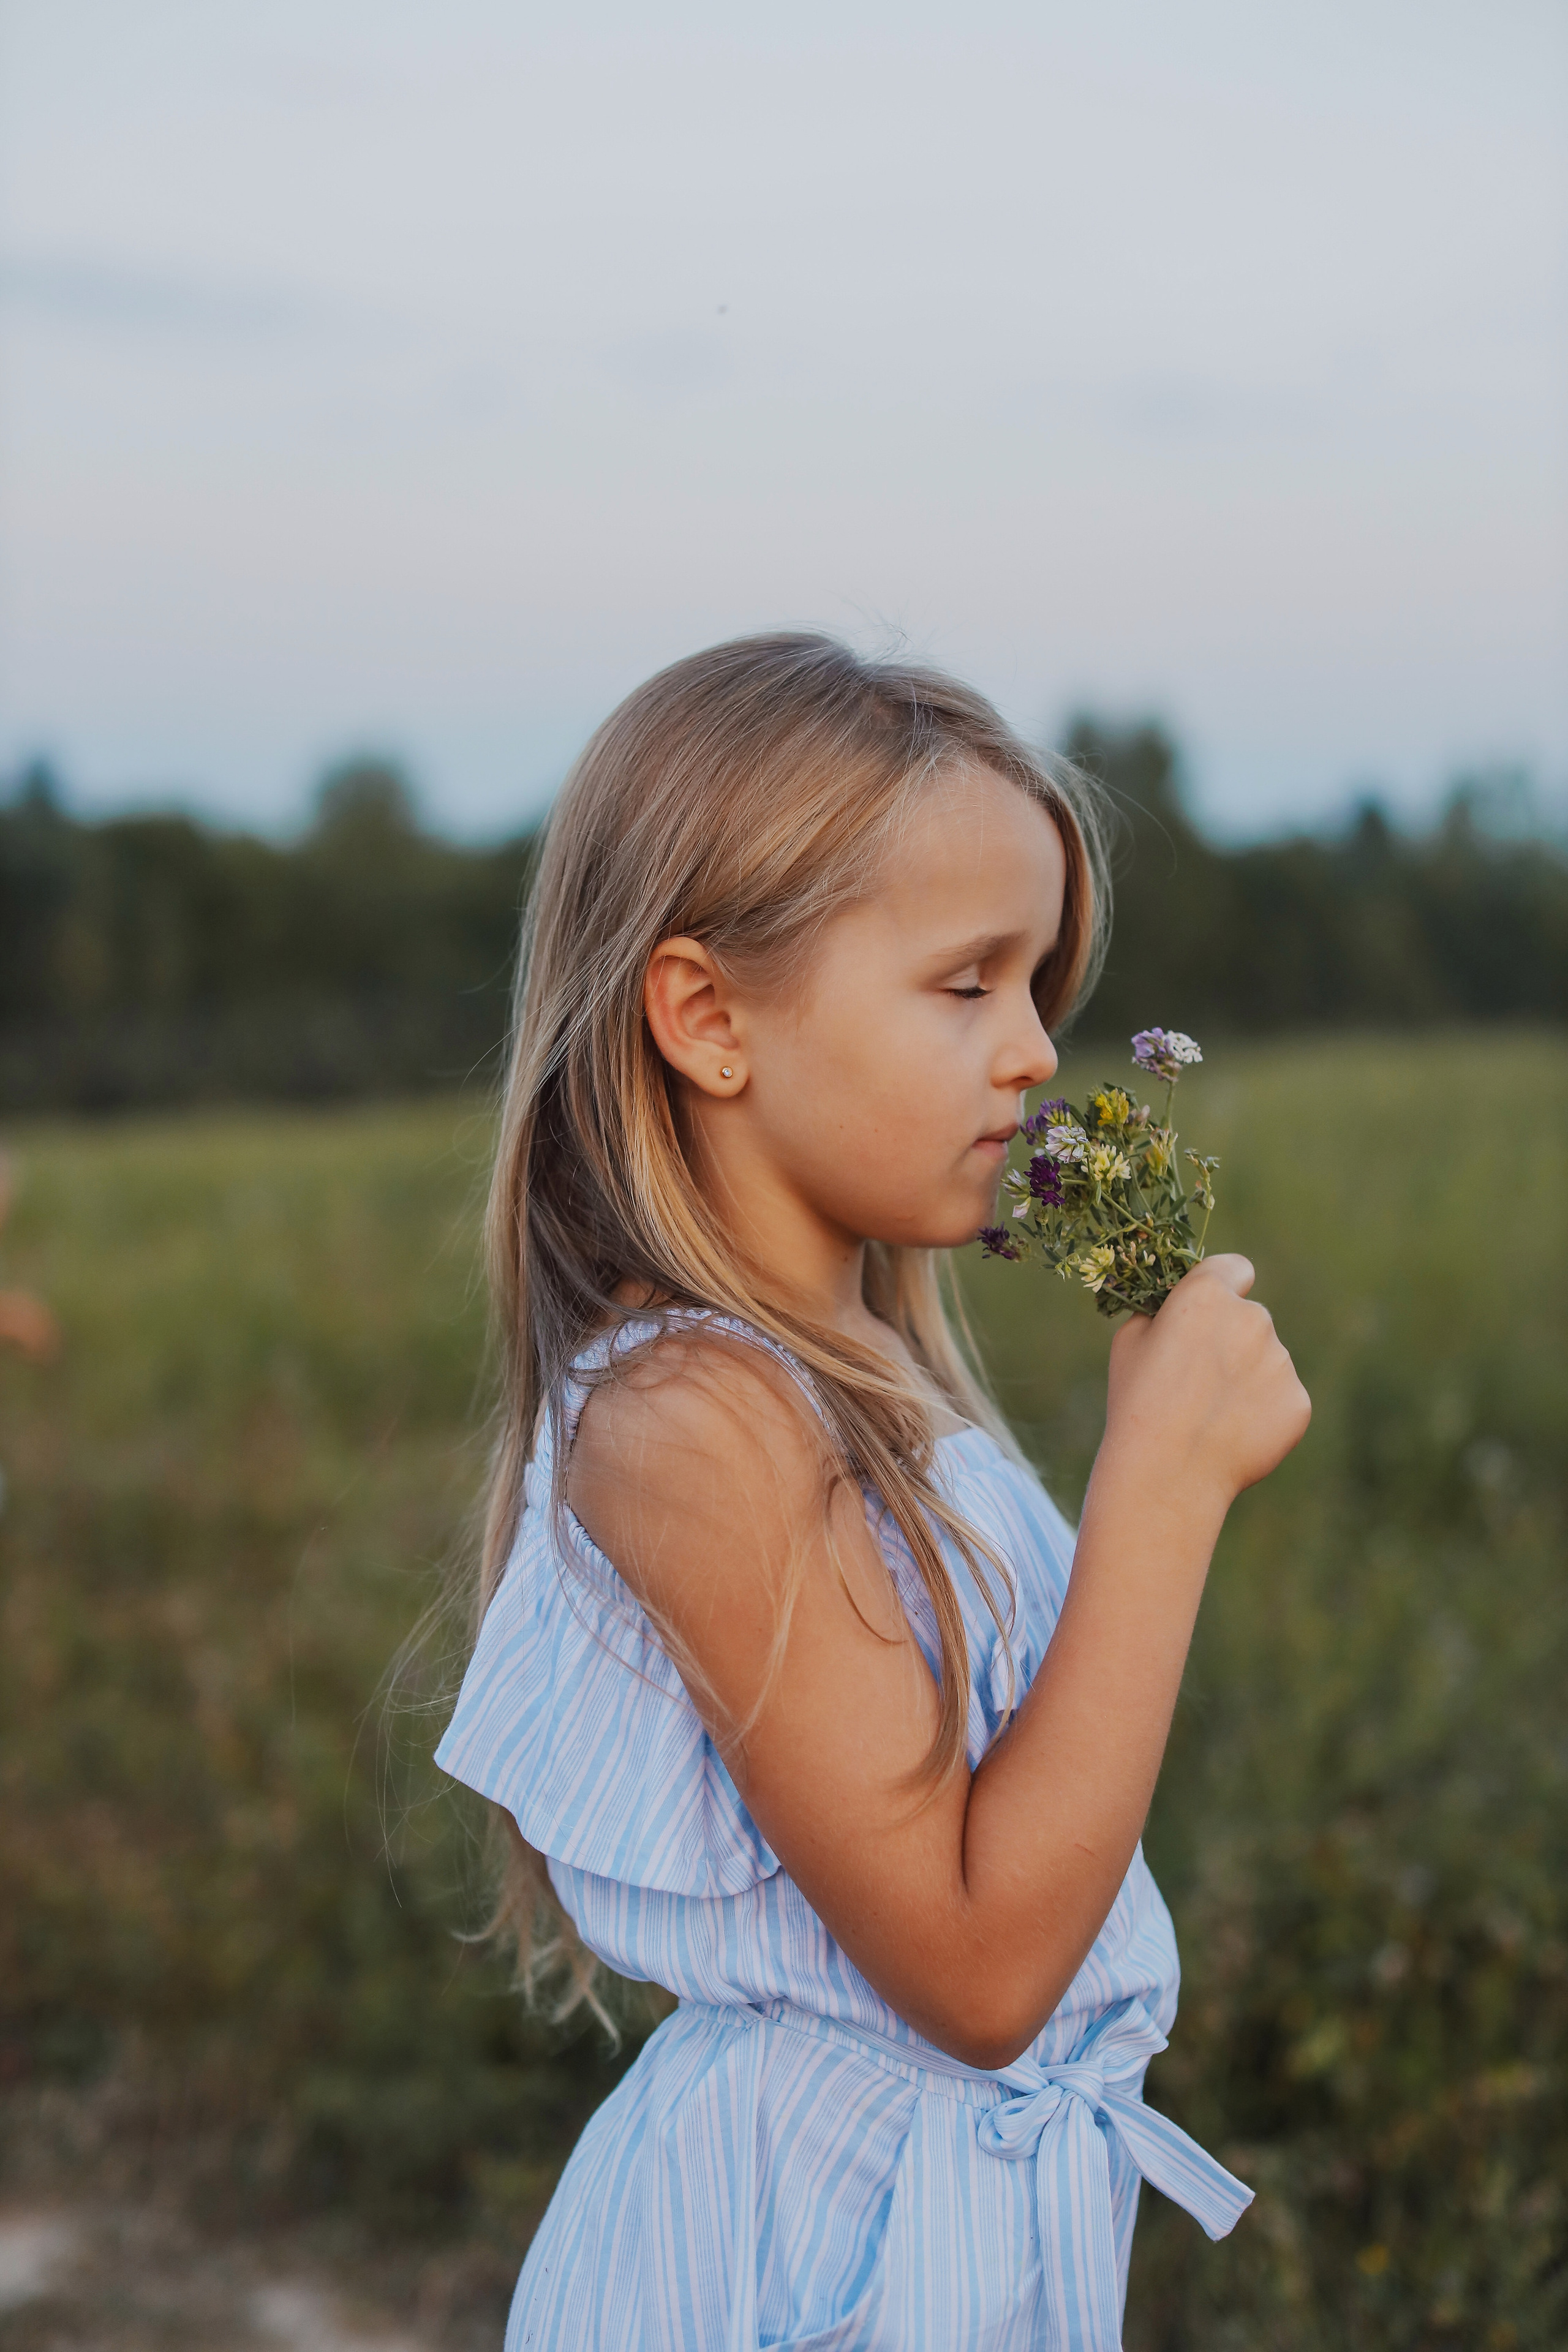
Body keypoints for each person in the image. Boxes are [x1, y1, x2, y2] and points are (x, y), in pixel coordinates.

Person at [435, 635, 1311, 2350]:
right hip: (792, 2272)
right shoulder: (696, 1417)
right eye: (967, 982)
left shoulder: (856, 1379)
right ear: (706, 1018)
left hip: (943, 2241)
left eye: (1044, 985)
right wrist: (1162, 1488)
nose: (1037, 1056)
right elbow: (979, 1974)